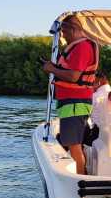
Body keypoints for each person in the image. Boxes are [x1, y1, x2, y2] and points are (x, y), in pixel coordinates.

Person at [41, 15, 99, 174]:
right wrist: (54, 66)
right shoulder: (79, 47)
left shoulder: (82, 47)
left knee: (74, 146)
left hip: (75, 103)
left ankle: (79, 180)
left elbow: (74, 76)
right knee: (74, 145)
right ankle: (81, 176)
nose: (63, 37)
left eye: (65, 32)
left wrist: (51, 69)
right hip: (72, 103)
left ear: (73, 29)